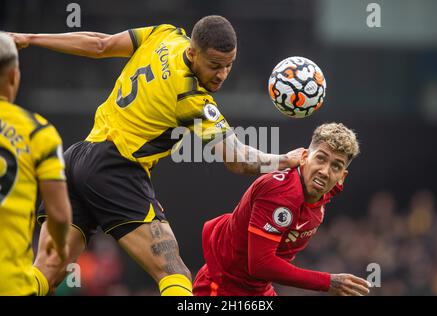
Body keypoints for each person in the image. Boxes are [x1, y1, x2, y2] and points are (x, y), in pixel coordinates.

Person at [8, 15, 302, 295]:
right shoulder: (192, 98)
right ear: (193, 52)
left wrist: (29, 38)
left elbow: (100, 45)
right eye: (214, 65)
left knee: (47, 272)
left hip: (78, 158)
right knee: (173, 272)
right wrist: (285, 160)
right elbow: (237, 160)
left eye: (229, 65)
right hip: (117, 168)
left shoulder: (164, 35)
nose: (222, 74)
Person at [193, 122, 371, 296]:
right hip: (224, 286)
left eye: (336, 166)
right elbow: (260, 264)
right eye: (320, 158)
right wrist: (327, 282)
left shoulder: (327, 188)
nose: (325, 171)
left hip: (258, 289)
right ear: (303, 158)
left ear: (342, 177)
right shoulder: (282, 192)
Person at [0, 32, 72, 296]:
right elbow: (60, 214)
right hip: (10, 283)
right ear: (13, 76)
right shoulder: (37, 132)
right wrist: (61, 246)